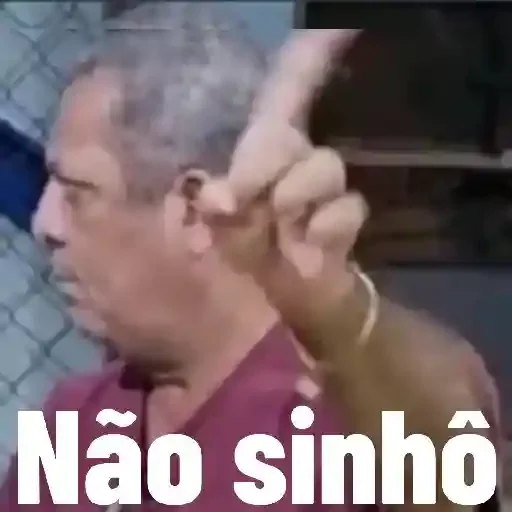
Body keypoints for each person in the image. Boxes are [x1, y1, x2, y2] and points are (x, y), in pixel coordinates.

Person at [1, 4, 501, 511]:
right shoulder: (79, 423)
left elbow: (447, 476)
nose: (44, 224)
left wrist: (334, 310)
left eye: (76, 191)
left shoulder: (361, 403)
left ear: (192, 209)